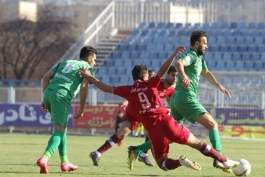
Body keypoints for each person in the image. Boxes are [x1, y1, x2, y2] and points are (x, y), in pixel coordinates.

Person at [78, 45, 239, 174]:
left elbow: (105, 88)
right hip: (168, 121)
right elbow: (162, 70)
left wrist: (89, 76)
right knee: (197, 143)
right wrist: (174, 54)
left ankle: (179, 162)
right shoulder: (152, 83)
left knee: (162, 163)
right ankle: (224, 160)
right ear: (146, 76)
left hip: (154, 130)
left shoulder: (128, 90)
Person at [170, 30, 231, 172]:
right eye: (205, 43)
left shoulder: (199, 58)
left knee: (171, 136)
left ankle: (139, 150)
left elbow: (206, 73)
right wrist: (184, 76)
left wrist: (219, 86)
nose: (207, 46)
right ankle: (219, 157)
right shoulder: (191, 55)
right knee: (212, 125)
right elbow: (179, 63)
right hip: (186, 97)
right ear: (196, 43)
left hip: (177, 99)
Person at [36, 46, 97, 174]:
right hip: (61, 96)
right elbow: (84, 86)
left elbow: (46, 77)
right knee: (59, 131)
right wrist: (82, 107)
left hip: (48, 93)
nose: (95, 63)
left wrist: (44, 97)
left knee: (62, 129)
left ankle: (65, 162)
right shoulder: (87, 69)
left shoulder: (65, 63)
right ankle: (44, 158)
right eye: (94, 59)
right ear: (89, 58)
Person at [127, 66, 177, 167]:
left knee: (161, 135)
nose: (175, 78)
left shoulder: (171, 89)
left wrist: (171, 110)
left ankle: (140, 151)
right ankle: (141, 151)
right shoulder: (156, 84)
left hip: (152, 112)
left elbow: (169, 99)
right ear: (167, 75)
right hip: (142, 110)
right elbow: (139, 92)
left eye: (176, 76)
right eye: (172, 75)